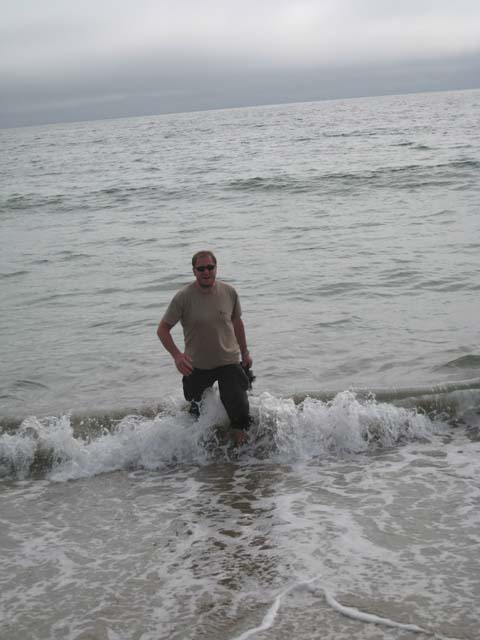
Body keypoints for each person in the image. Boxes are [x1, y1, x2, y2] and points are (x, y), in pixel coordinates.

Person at [157, 250, 253, 445]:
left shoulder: (229, 292)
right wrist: (177, 356)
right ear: (194, 271)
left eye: (210, 267)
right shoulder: (183, 297)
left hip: (228, 361)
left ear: (216, 268)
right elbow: (163, 330)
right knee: (196, 415)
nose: (206, 272)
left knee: (240, 413)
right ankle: (201, 456)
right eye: (201, 269)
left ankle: (240, 455)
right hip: (197, 365)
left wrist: (245, 353)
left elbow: (237, 322)